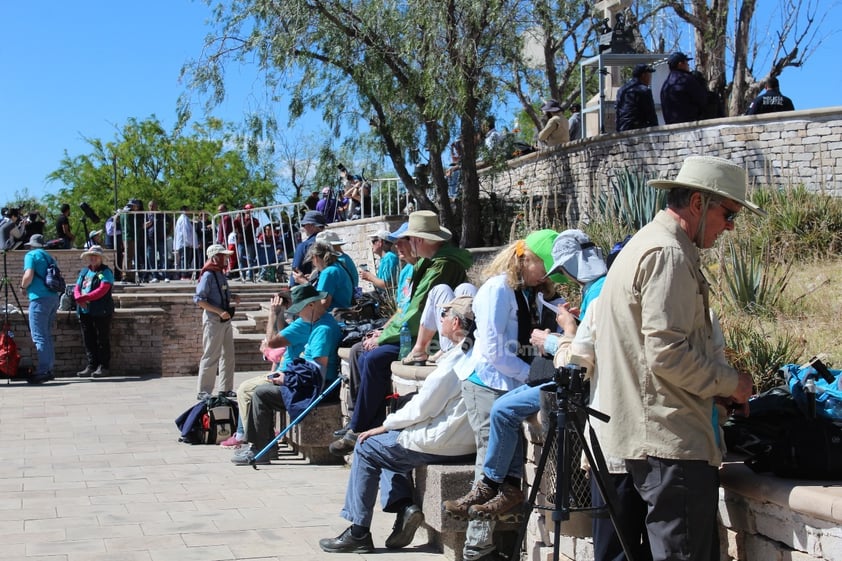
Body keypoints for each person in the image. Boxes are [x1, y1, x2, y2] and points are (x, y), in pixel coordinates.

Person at [594, 155, 760, 561]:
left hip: (656, 439)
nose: (731, 225)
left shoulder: (647, 244)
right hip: (671, 445)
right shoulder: (667, 253)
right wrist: (731, 383)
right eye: (729, 213)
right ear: (699, 204)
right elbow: (667, 355)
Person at [318, 295, 478, 554]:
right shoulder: (479, 351)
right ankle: (403, 506)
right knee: (389, 446)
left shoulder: (457, 360)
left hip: (447, 441)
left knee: (367, 445)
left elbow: (424, 405)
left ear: (456, 321)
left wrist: (386, 424)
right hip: (463, 439)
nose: (441, 319)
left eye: (445, 315)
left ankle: (359, 531)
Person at [442, 229, 561, 561]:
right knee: (488, 463)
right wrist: (533, 377)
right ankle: (477, 549)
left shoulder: (526, 290)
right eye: (544, 266)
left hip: (508, 383)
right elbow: (495, 350)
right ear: (525, 259)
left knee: (505, 471)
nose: (547, 274)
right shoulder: (497, 290)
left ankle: (492, 543)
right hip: (488, 382)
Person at [329, 211, 473, 455]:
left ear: (419, 240)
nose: (399, 247)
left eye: (407, 240)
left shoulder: (442, 265)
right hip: (419, 332)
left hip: (435, 340)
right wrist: (382, 332)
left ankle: (363, 427)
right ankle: (361, 424)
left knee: (373, 358)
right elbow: (407, 309)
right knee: (361, 353)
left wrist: (384, 337)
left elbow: (417, 312)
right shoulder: (433, 263)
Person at [231, 283, 342, 465]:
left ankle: (261, 450)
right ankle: (262, 446)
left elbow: (317, 373)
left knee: (261, 393)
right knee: (262, 390)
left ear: (311, 305)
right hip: (308, 383)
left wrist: (287, 379)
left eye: (299, 310)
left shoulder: (323, 330)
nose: (297, 314)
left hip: (316, 389)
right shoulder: (318, 322)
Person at [194, 244, 241, 400]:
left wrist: (232, 297)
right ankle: (204, 390)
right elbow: (200, 300)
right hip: (214, 319)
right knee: (211, 354)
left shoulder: (220, 274)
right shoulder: (208, 275)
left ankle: (226, 388)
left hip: (225, 318)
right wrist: (219, 311)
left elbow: (220, 292)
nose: (226, 259)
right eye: (223, 256)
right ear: (215, 257)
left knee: (228, 355)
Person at [19, 234, 61, 384]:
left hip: (39, 298)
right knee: (46, 335)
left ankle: (43, 371)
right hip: (53, 298)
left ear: (31, 245)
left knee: (39, 336)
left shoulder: (31, 255)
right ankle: (48, 369)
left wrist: (22, 287)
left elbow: (28, 275)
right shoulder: (49, 257)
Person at [73, 245, 115, 378]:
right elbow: (77, 286)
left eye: (95, 256)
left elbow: (103, 289)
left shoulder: (105, 272)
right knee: (88, 338)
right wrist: (78, 297)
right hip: (85, 310)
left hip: (101, 310)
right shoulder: (84, 271)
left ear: (100, 258)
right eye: (91, 256)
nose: (93, 258)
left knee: (102, 338)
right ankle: (91, 365)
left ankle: (104, 366)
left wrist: (85, 298)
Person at [660, 52, 709, 125]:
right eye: (686, 63)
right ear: (680, 64)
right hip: (690, 125)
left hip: (671, 126)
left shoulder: (665, 84)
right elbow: (702, 99)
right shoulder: (686, 79)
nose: (688, 65)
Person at [309, 240, 354, 311]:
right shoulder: (338, 265)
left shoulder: (327, 273)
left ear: (315, 257)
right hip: (344, 312)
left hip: (332, 316)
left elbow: (323, 304)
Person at [616, 64, 659, 132]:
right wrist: (657, 130)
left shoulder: (621, 90)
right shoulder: (644, 90)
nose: (650, 77)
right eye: (649, 74)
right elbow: (650, 113)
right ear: (643, 75)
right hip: (636, 128)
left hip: (621, 127)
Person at [290, 210, 327, 286]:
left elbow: (295, 273)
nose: (303, 228)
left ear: (312, 226)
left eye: (304, 225)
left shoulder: (304, 246)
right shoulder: (331, 243)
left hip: (309, 291)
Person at [233, 203, 260, 282]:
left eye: (250, 210)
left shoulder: (254, 220)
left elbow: (256, 224)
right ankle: (243, 276)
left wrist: (250, 219)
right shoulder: (239, 219)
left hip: (250, 241)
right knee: (241, 259)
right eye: (247, 210)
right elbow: (234, 225)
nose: (248, 212)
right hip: (241, 241)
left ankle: (251, 276)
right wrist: (236, 218)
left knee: (251, 259)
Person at [120, 198, 144, 283]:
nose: (137, 208)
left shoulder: (123, 212)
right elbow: (132, 226)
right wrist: (142, 226)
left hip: (126, 236)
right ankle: (125, 275)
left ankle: (127, 274)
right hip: (130, 237)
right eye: (137, 206)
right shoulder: (129, 214)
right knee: (128, 256)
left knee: (127, 256)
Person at [144, 200, 167, 282]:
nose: (152, 207)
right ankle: (155, 275)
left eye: (153, 205)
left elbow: (170, 221)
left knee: (163, 257)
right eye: (150, 206)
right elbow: (142, 226)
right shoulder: (146, 215)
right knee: (151, 258)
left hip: (161, 239)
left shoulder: (161, 214)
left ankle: (165, 275)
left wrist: (167, 233)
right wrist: (147, 224)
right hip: (150, 240)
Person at [174, 206, 198, 280]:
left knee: (184, 259)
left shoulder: (181, 219)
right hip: (185, 243)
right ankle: (184, 275)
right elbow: (186, 231)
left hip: (182, 243)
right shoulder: (184, 219)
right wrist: (190, 242)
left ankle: (184, 274)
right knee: (184, 259)